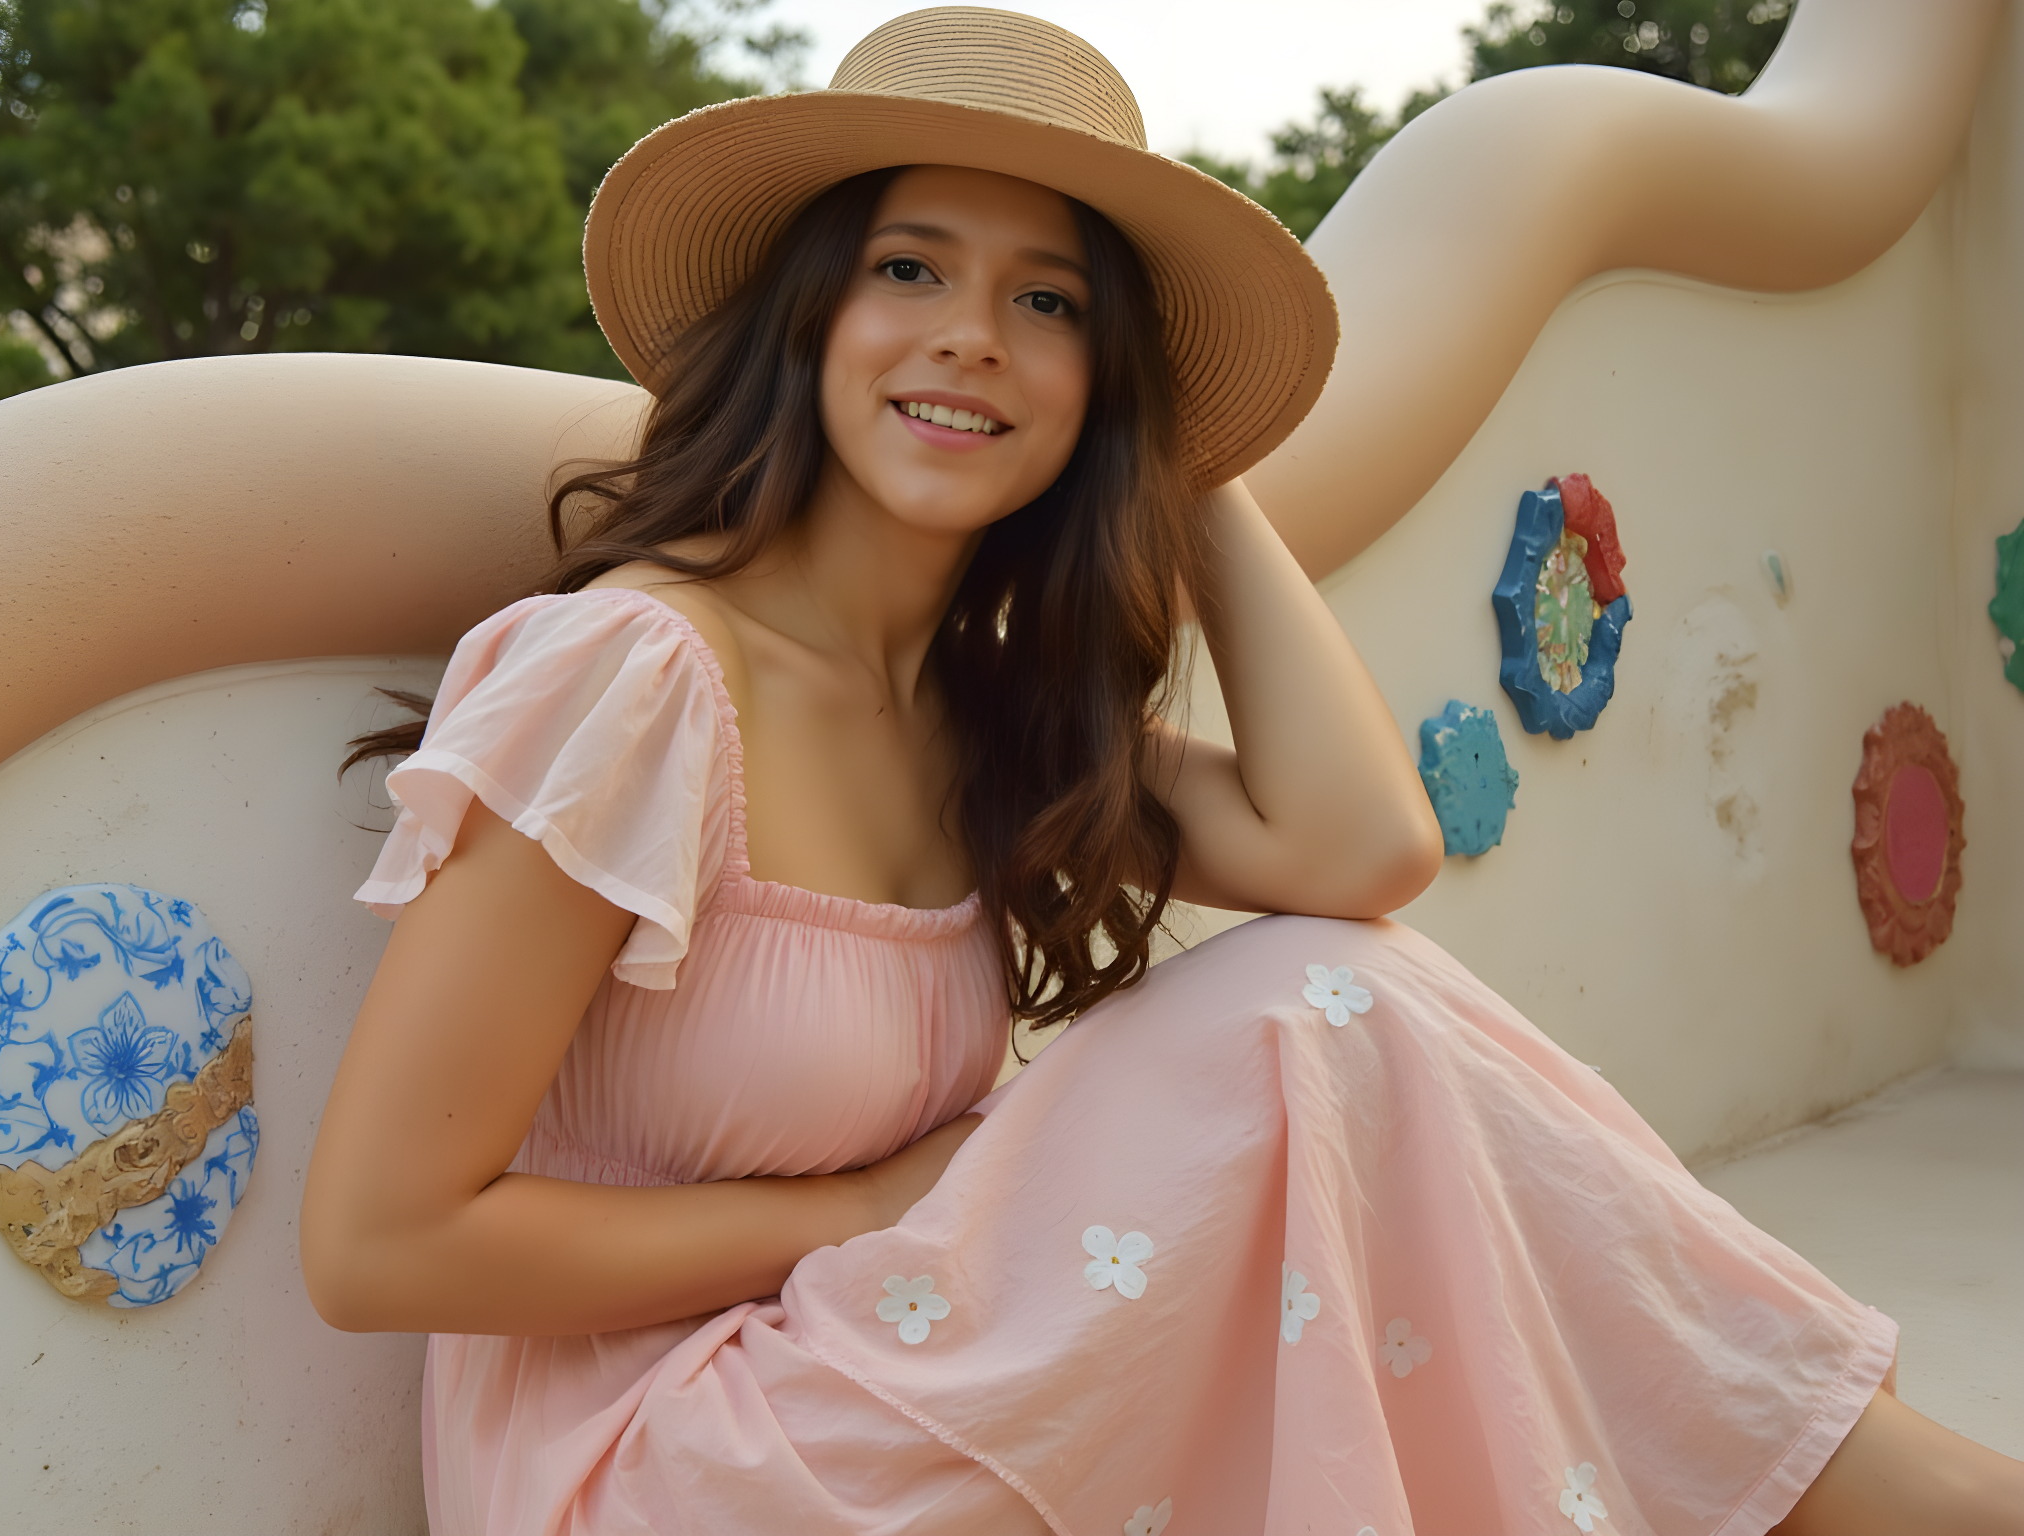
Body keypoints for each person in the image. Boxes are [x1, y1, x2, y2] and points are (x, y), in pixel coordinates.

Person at [299, 10, 2024, 1533]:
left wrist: (1189, 451)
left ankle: (1866, 1490)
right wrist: (862, 1209)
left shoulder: (986, 722)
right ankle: (1899, 1502)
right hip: (667, 1466)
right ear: (805, 321)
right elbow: (380, 1246)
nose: (971, 336)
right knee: (1306, 1023)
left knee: (1335, 986)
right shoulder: (637, 677)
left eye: (1048, 303)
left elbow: (1358, 852)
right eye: (909, 269)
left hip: (880, 1380)